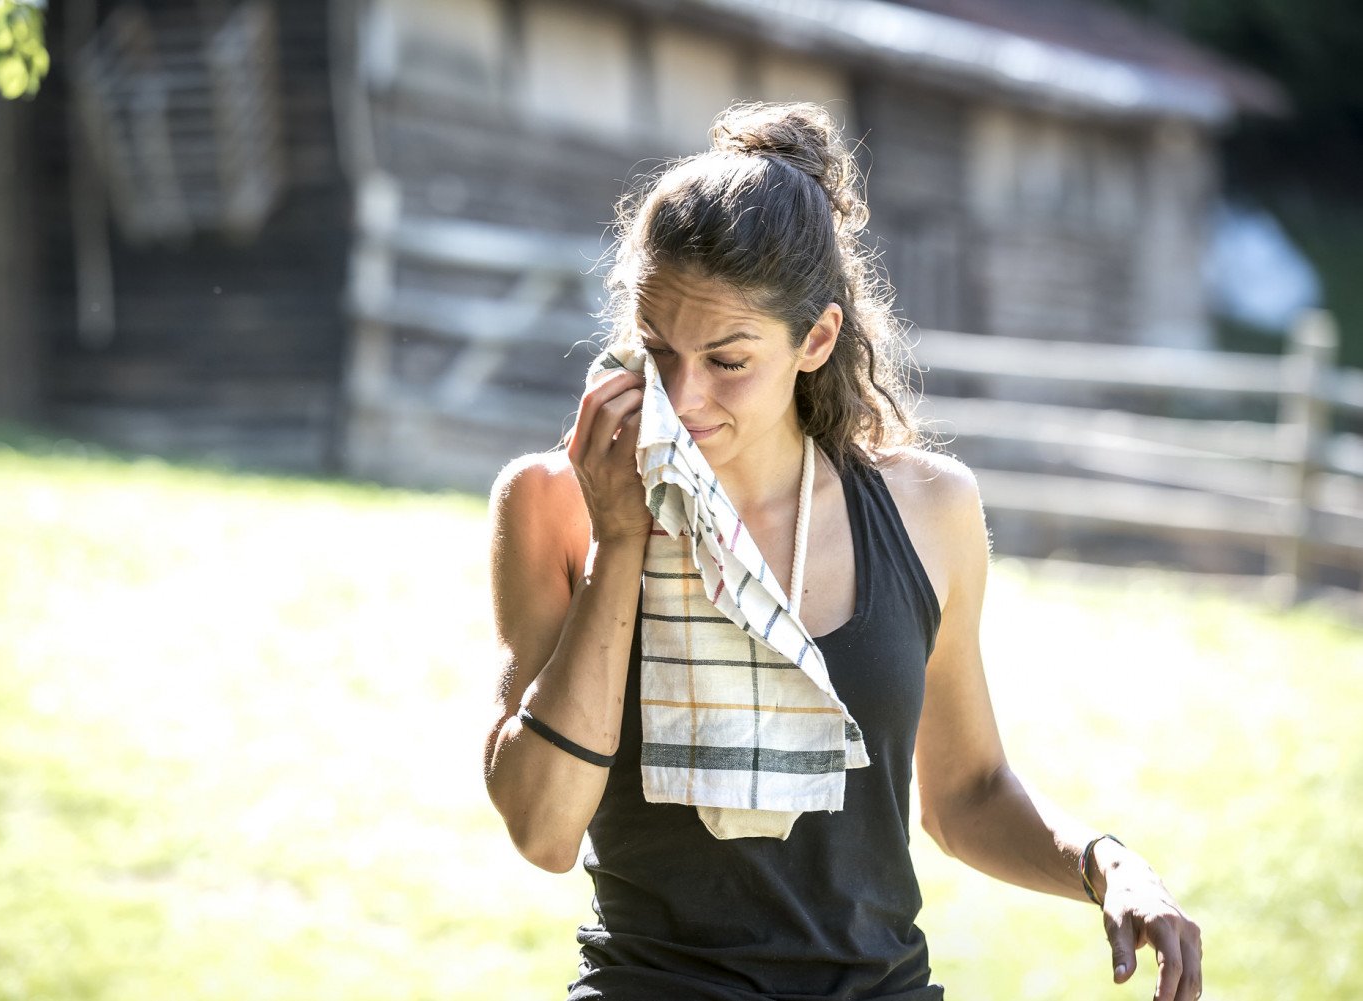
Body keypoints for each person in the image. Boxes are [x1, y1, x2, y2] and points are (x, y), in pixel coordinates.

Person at [483, 101, 1202, 1001]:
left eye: (728, 359)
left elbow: (968, 791)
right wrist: (622, 539)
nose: (683, 395)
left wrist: (1109, 864)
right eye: (658, 349)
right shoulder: (555, 501)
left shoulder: (929, 509)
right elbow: (543, 830)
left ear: (815, 340)